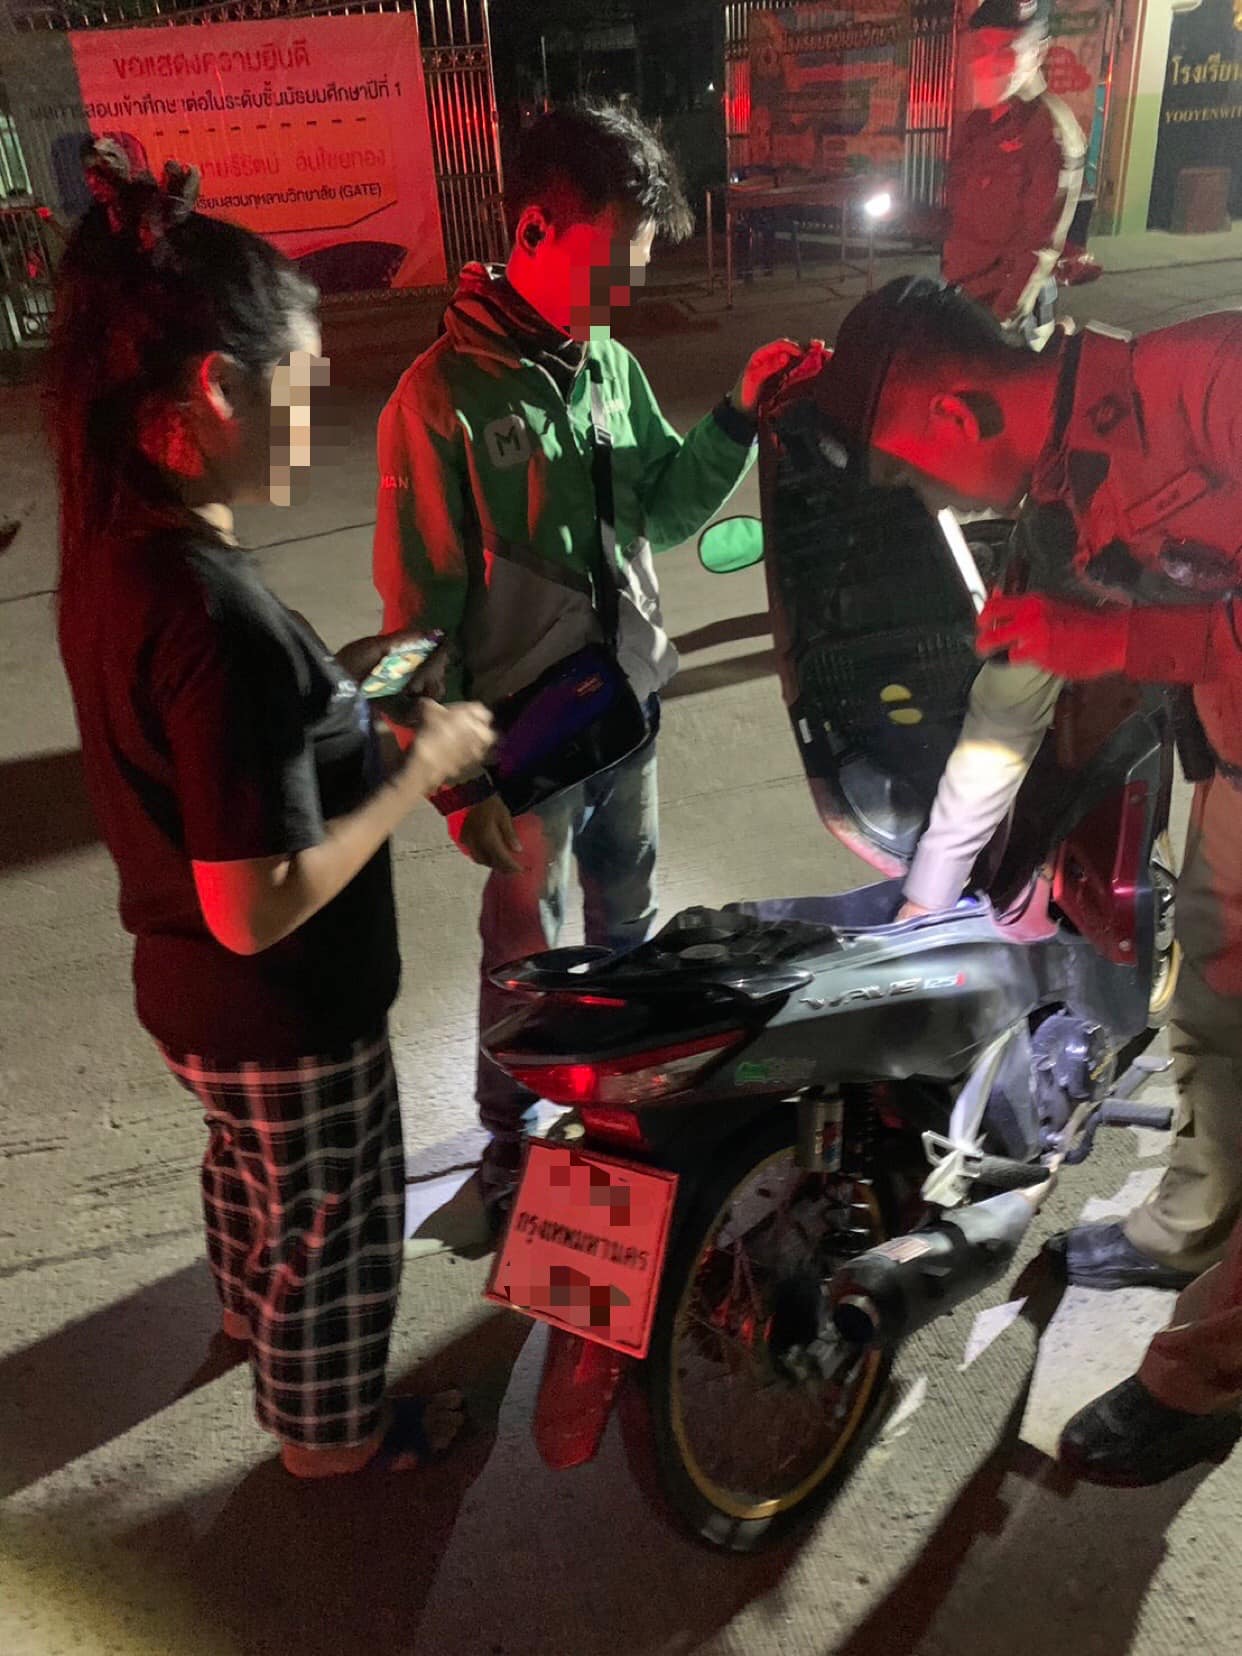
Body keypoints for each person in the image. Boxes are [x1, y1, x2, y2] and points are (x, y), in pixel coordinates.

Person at [52, 142, 494, 1478]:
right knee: (335, 1229)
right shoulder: (214, 610)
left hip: (192, 1002)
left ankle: (252, 1326)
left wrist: (342, 696)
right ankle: (332, 1445)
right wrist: (415, 765)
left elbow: (217, 753)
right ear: (213, 387)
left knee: (257, 1184)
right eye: (302, 384)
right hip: (283, 1008)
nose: (316, 414)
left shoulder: (118, 553)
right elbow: (257, 902)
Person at [811, 273, 1242, 1483]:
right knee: (1213, 1019)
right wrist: (924, 904)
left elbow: (1127, 637)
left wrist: (1121, 641)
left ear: (954, 412)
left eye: (916, 474)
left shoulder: (1215, 383)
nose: (931, 499)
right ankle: (1190, 1221)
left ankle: (1204, 1375)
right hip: (1235, 779)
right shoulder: (1056, 509)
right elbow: (1004, 719)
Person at [370, 103, 803, 1220]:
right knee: (523, 947)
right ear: (533, 230)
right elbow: (415, 620)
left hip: (628, 710)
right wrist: (457, 783)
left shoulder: (607, 364)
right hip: (526, 741)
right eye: (613, 262)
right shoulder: (441, 399)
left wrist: (739, 414)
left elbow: (664, 507)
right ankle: (508, 1137)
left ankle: (624, 1103)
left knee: (628, 916)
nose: (627, 292)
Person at [941, 0, 1084, 347]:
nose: (985, 62)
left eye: (1005, 49)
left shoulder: (1049, 130)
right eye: (981, 48)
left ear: (1038, 53)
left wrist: (999, 326)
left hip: (1007, 325)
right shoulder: (978, 125)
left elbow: (1039, 248)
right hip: (958, 304)